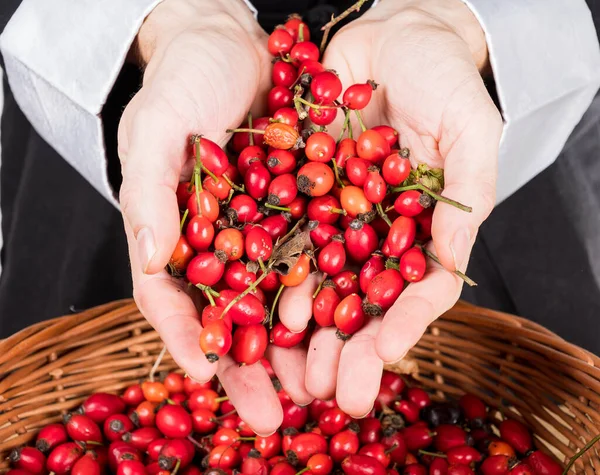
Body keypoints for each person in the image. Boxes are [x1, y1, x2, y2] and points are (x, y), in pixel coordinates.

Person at [0, 0, 599, 435]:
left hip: (454, 106)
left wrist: (452, 17)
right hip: (147, 92)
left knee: (530, 396)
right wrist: (169, 18)